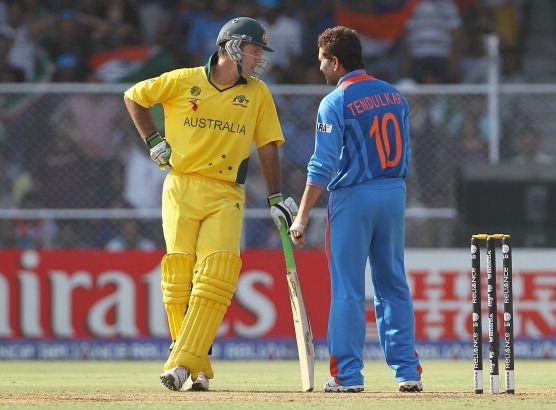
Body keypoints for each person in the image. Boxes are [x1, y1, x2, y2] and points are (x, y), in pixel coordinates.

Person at [123, 16, 297, 392]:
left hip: (226, 192)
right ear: (231, 47)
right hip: (181, 187)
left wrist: (276, 197)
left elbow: (267, 145)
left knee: (216, 275)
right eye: (253, 50)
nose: (258, 58)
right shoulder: (183, 80)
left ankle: (182, 365)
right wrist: (153, 140)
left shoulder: (257, 93)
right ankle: (197, 367)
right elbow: (134, 96)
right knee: (179, 277)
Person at [289, 26, 422, 393]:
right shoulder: (394, 95)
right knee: (393, 285)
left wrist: (302, 215)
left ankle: (348, 377)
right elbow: (405, 151)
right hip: (394, 192)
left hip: (354, 196)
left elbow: (321, 165)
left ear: (335, 61)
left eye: (321, 62)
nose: (320, 69)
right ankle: (407, 372)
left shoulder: (336, 100)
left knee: (347, 289)